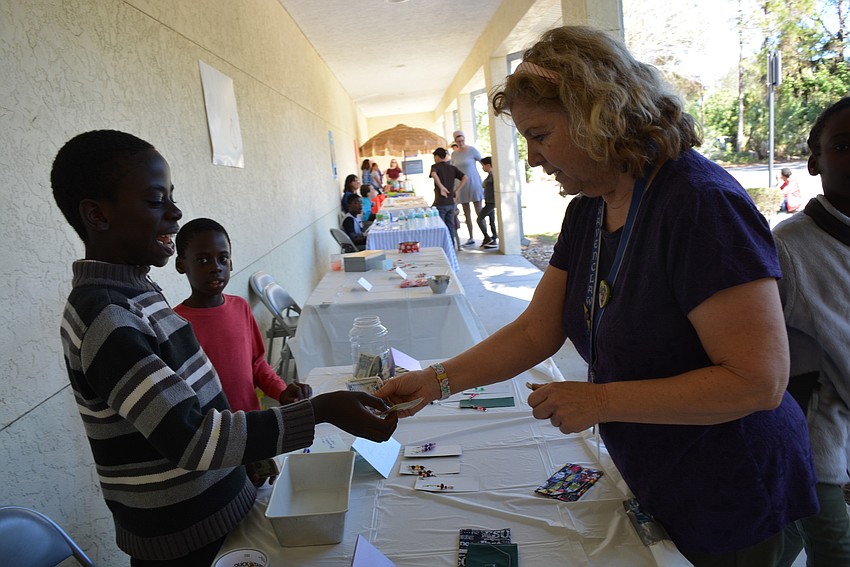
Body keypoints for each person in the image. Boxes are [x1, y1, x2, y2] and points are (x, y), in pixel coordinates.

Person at [375, 25, 817, 565]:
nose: (534, 158)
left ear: (596, 115)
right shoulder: (589, 206)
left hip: (734, 488)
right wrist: (436, 380)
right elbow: (537, 329)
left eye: (540, 135)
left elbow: (758, 382)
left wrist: (603, 400)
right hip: (660, 469)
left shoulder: (699, 205)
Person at [51, 130, 396, 566]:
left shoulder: (138, 290)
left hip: (226, 508)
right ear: (97, 215)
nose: (175, 214)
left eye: (171, 197)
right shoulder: (105, 315)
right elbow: (191, 436)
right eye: (157, 200)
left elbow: (207, 408)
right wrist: (321, 411)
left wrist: (247, 465)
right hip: (183, 541)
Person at [774, 97, 850, 567]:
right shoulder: (790, 247)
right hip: (816, 442)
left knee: (786, 541)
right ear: (814, 161)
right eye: (843, 145)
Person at [174, 218, 312, 414]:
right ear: (181, 265)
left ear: (231, 263)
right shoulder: (175, 324)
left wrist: (281, 392)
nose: (216, 267)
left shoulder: (241, 307)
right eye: (203, 260)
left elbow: (257, 364)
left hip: (251, 422)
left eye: (223, 258)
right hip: (209, 432)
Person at [450, 130, 484, 246]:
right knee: (466, 212)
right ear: (455, 142)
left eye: (462, 140)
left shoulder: (472, 150)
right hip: (461, 185)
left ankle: (486, 236)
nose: (461, 142)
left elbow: (483, 162)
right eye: (458, 141)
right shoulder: (454, 154)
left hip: (473, 182)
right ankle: (471, 237)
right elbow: (452, 169)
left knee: (479, 211)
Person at [430, 147, 466, 252]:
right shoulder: (452, 168)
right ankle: (451, 246)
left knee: (441, 226)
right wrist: (457, 190)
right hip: (451, 202)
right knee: (450, 225)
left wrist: (441, 187)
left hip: (440, 202)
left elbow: (433, 174)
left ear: (437, 157)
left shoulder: (435, 167)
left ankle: (443, 247)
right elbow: (465, 178)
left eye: (434, 157)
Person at [477, 156, 498, 248]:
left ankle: (487, 237)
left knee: (479, 219)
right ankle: (493, 238)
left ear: (488, 165)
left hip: (491, 202)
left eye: (483, 165)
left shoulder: (493, 176)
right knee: (491, 221)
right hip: (488, 201)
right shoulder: (490, 175)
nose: (482, 168)